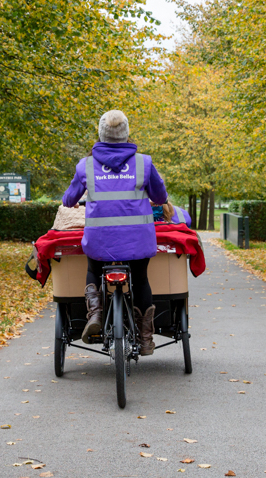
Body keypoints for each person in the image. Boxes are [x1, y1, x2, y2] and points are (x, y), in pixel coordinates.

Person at [62, 110, 168, 355]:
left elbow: (69, 199)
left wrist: (73, 200)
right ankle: (145, 339)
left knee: (93, 270)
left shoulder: (86, 166)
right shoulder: (143, 163)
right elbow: (160, 196)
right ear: (126, 133)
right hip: (137, 241)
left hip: (100, 241)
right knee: (140, 280)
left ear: (101, 134)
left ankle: (95, 314)